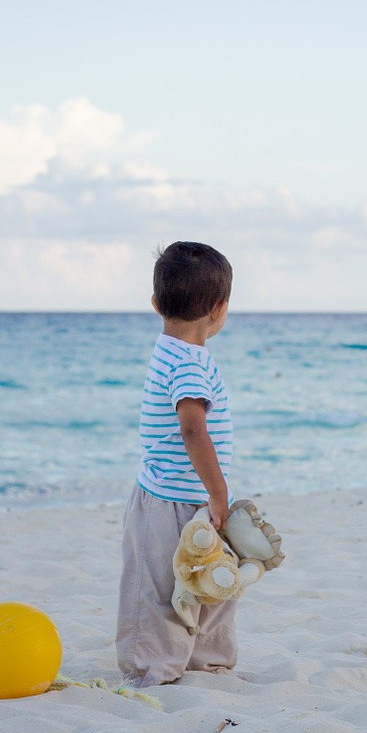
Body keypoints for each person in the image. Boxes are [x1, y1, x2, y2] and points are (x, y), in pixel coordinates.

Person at [116, 241, 239, 687]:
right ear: (219, 309)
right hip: (167, 502)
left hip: (193, 500)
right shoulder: (188, 363)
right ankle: (152, 667)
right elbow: (192, 429)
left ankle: (206, 663)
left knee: (213, 580)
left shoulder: (174, 352)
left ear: (155, 303)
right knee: (161, 588)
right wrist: (220, 491)